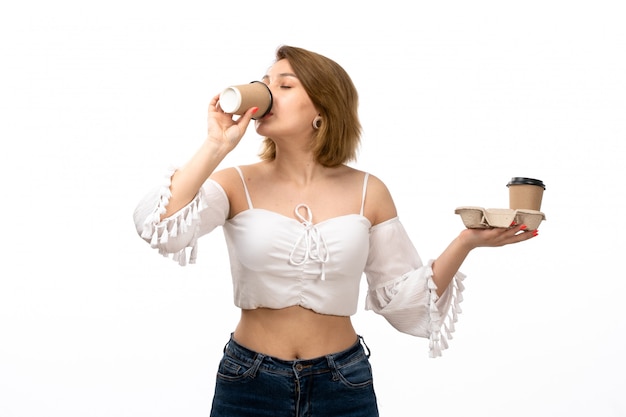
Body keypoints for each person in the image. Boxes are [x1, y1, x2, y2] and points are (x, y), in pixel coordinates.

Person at [133, 45, 538, 417]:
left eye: (285, 85)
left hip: (342, 381)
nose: (266, 92)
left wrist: (466, 242)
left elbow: (404, 301)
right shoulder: (235, 182)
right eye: (265, 83)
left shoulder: (368, 191)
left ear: (321, 111)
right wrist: (217, 144)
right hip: (249, 380)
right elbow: (159, 225)